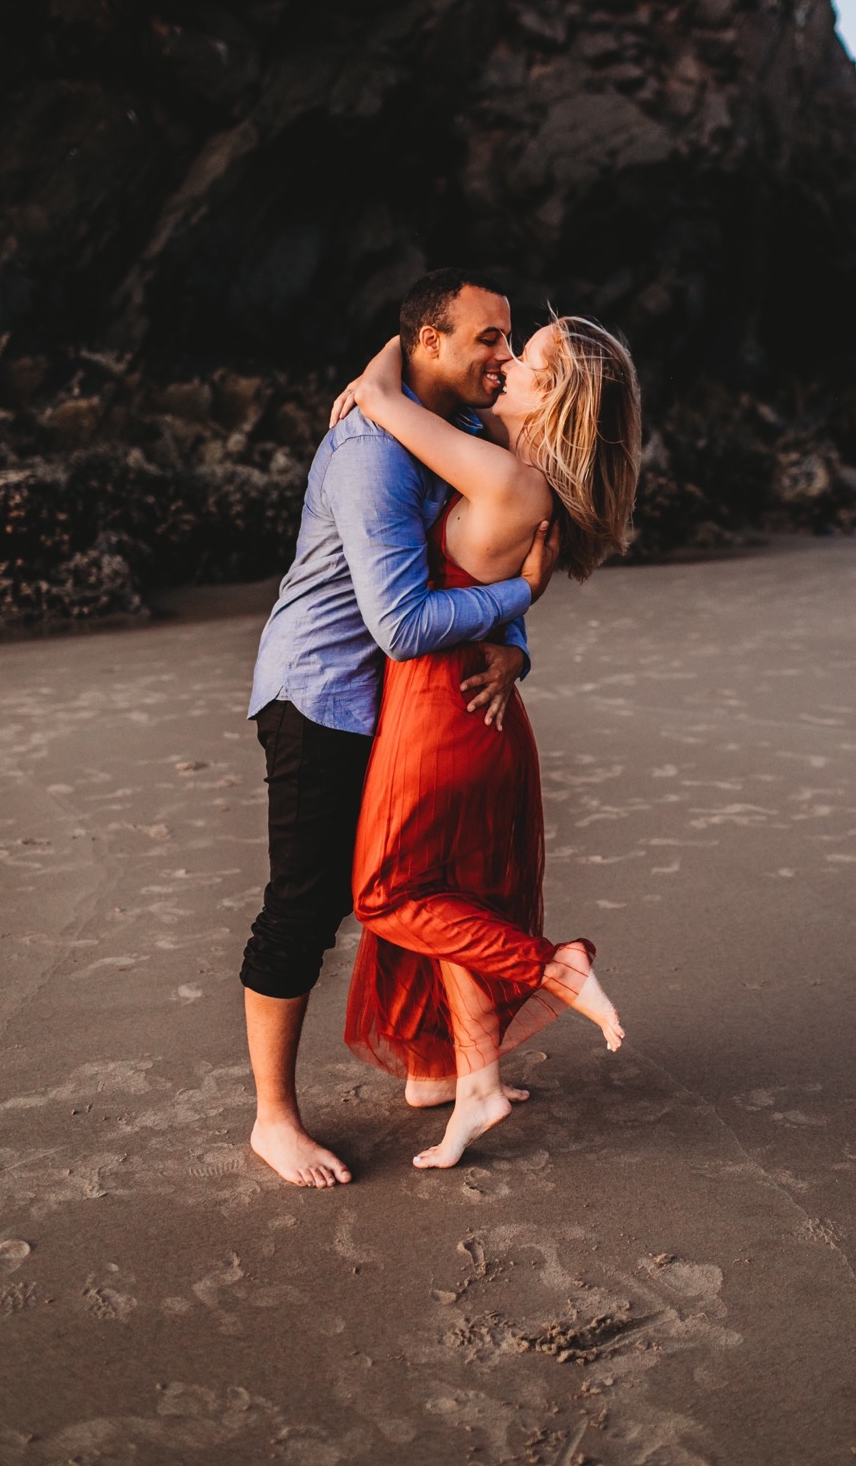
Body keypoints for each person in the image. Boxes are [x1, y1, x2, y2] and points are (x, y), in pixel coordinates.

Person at [242, 269, 559, 1189]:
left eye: (509, 341)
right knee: (305, 908)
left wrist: (517, 643)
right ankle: (273, 1121)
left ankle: (433, 1067)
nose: (502, 358)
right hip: (320, 693)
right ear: (429, 342)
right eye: (487, 340)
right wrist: (523, 596)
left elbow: (476, 545)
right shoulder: (371, 450)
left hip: (391, 700)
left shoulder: (452, 430)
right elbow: (404, 623)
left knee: (411, 880)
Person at [331, 312, 642, 1169]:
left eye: (525, 358)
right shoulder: (528, 480)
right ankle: (468, 1081)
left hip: (438, 715)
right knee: (451, 895)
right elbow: (501, 587)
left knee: (387, 894)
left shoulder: (507, 477)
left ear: (555, 396)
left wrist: (399, 353)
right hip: (475, 709)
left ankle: (558, 965)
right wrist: (517, 634)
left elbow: (386, 390)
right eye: (502, 346)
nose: (503, 363)